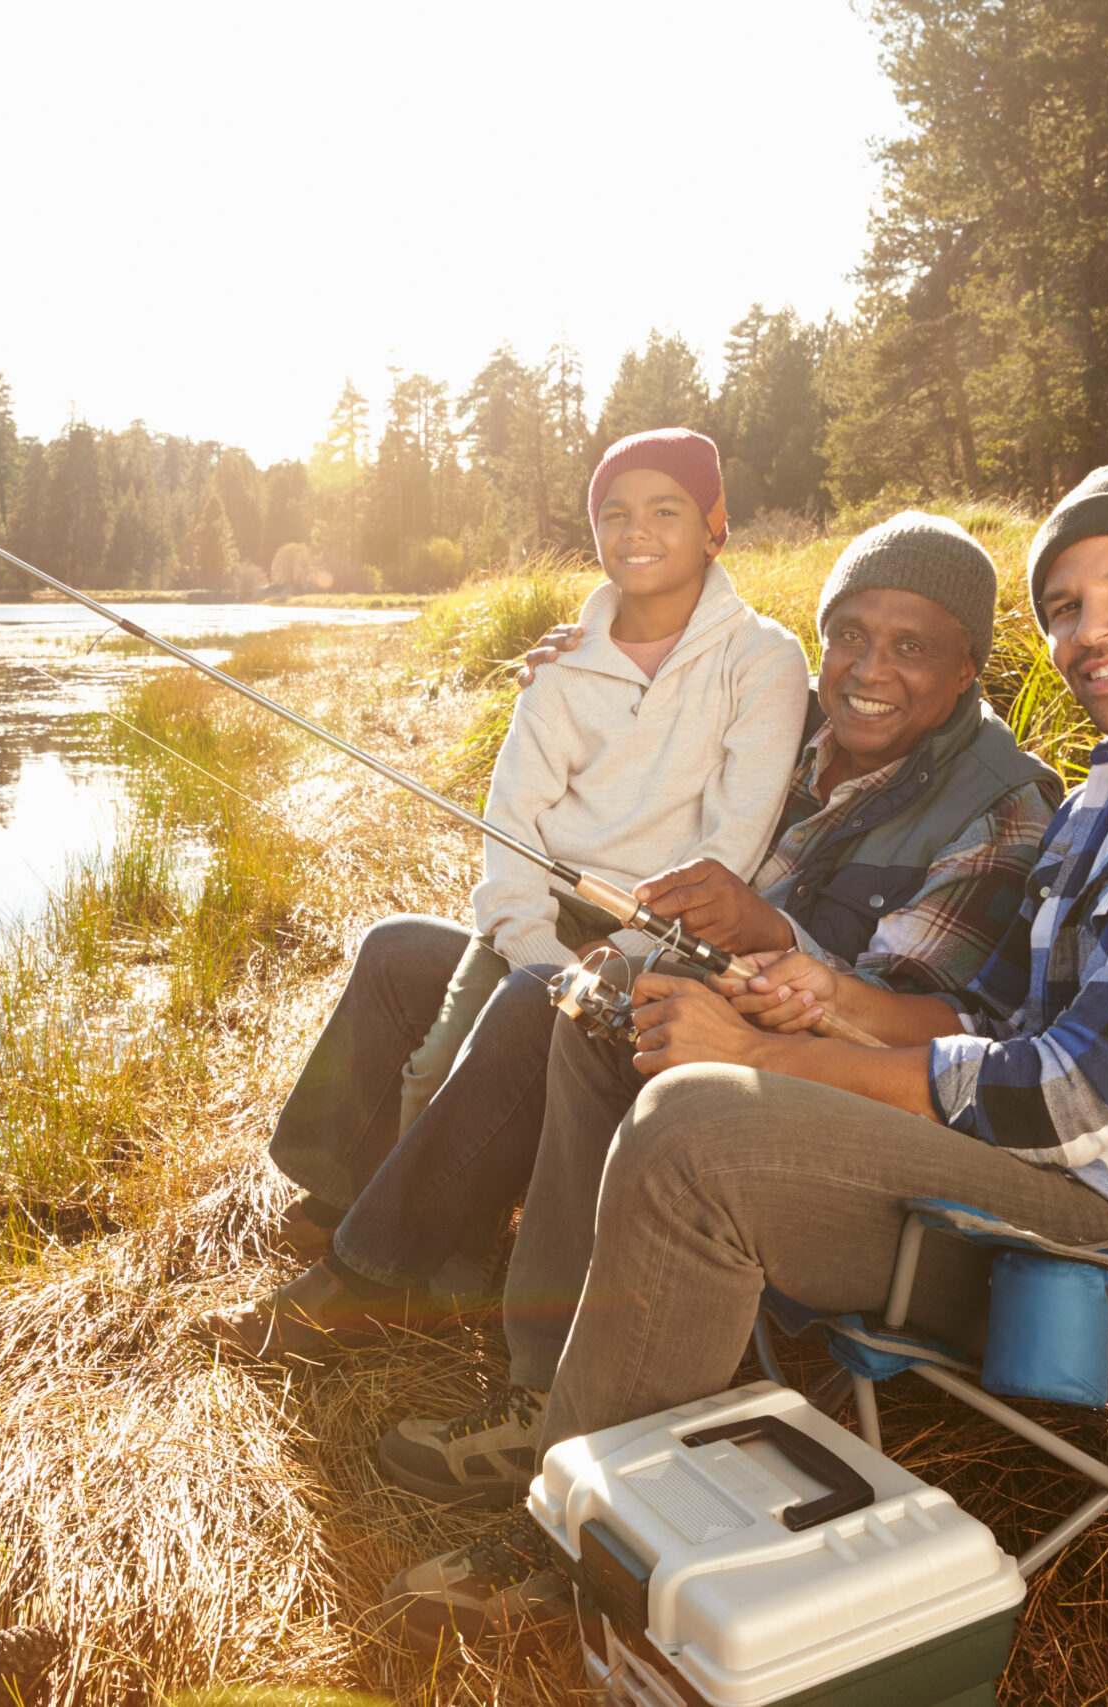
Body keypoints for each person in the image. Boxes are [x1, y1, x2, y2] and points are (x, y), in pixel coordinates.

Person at [373, 451, 1108, 1648]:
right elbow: (999, 1021)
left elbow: (1066, 1099)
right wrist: (824, 996)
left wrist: (767, 1059)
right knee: (633, 1023)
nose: (1094, 631)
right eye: (1067, 605)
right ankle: (576, 1406)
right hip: (1057, 1177)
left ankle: (578, 1562)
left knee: (695, 1132)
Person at [368, 512, 1060, 1505]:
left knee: (575, 1000)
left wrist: (767, 933)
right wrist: (576, 668)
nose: (869, 668)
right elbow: (635, 730)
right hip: (672, 973)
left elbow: (900, 1025)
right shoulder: (784, 712)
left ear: (966, 671)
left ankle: (534, 1383)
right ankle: (356, 1227)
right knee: (404, 953)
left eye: (912, 647)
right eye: (849, 635)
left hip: (836, 1093)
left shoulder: (1001, 809)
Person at [199, 428, 811, 1356]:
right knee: (398, 950)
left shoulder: (762, 659)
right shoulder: (562, 663)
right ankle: (342, 1199)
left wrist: (612, 958)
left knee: (484, 1038)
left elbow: (730, 853)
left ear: (715, 527)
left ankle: (362, 1285)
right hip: (545, 922)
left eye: (667, 510)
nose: (637, 531)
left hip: (661, 945)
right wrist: (538, 948)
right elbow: (512, 828)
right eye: (615, 513)